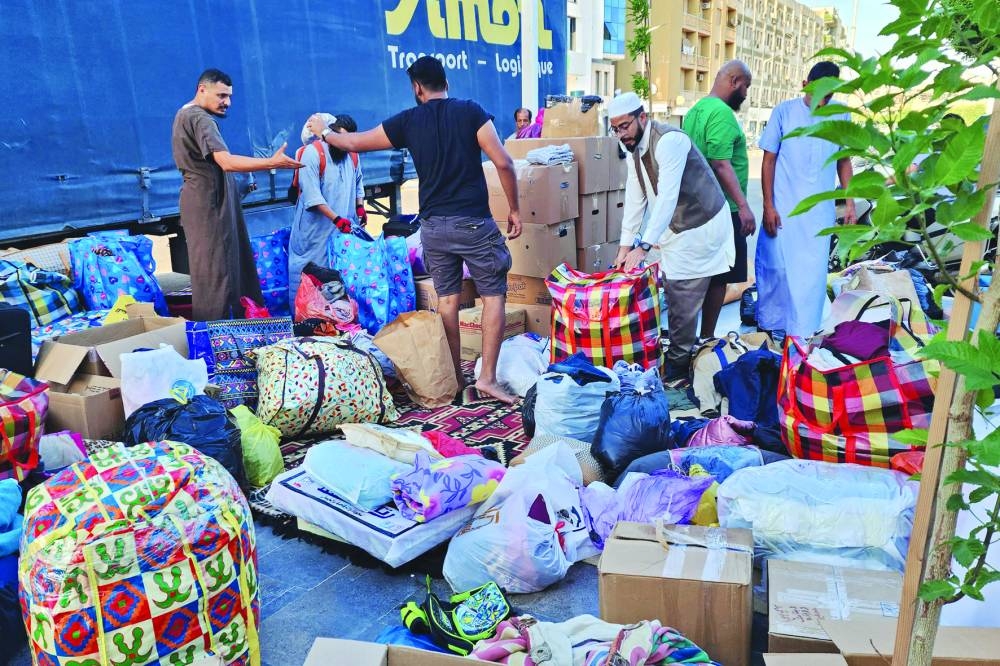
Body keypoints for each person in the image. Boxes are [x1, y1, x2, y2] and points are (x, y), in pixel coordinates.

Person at [308, 55, 522, 404]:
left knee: (448, 301)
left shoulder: (408, 121)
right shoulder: (471, 111)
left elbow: (352, 143)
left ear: (416, 88)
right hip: (473, 222)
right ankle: (486, 379)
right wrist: (513, 208)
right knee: (493, 296)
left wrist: (325, 132)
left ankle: (453, 378)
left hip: (434, 227)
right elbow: (503, 161)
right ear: (446, 83)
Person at [609, 92, 735, 381]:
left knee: (681, 294)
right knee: (676, 292)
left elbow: (667, 198)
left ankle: (678, 371)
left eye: (625, 126)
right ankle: (685, 353)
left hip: (699, 227)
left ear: (642, 117)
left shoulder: (670, 141)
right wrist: (624, 246)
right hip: (675, 227)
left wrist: (642, 247)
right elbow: (635, 195)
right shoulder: (633, 148)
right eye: (615, 129)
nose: (620, 134)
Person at [171, 68, 302, 321]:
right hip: (210, 205)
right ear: (202, 89)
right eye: (221, 95)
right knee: (218, 276)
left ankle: (238, 331)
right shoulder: (201, 119)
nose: (227, 103)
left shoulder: (183, 114)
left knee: (221, 271)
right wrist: (270, 163)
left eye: (229, 97)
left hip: (204, 201)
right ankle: (217, 342)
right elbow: (226, 162)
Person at [757, 61, 856, 338]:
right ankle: (773, 332)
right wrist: (768, 205)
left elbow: (843, 161)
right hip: (783, 211)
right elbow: (769, 160)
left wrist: (850, 202)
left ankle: (804, 335)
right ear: (804, 86)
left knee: (811, 278)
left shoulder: (841, 117)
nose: (823, 101)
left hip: (818, 216)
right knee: (777, 271)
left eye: (829, 95)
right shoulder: (784, 113)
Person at [683, 60, 756, 340]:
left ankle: (689, 338)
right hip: (723, 208)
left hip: (697, 207)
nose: (746, 94)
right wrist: (745, 207)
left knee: (698, 276)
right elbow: (721, 163)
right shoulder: (722, 114)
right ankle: (707, 337)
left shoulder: (694, 112)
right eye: (746, 86)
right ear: (735, 80)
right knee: (719, 278)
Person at [288, 113, 365, 304]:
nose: (342, 144)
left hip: (341, 234)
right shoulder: (312, 153)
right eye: (339, 138)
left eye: (347, 140)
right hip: (313, 235)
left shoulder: (352, 154)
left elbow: (358, 184)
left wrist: (360, 207)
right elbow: (312, 196)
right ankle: (302, 326)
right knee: (306, 281)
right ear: (329, 134)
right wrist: (338, 220)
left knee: (339, 282)